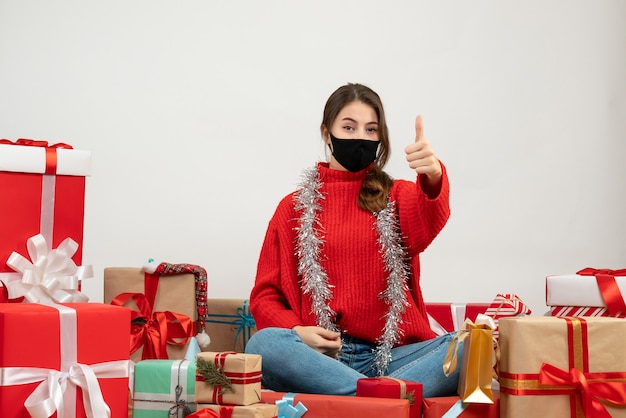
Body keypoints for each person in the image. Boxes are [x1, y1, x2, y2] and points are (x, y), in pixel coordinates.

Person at [245, 82, 460, 397]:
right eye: (349, 127)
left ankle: (361, 400)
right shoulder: (293, 208)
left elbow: (427, 221)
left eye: (371, 130)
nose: (361, 137)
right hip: (322, 358)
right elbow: (265, 297)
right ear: (326, 132)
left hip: (394, 358)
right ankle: (383, 400)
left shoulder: (397, 196)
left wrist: (433, 176)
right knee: (262, 344)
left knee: (468, 346)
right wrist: (297, 331)